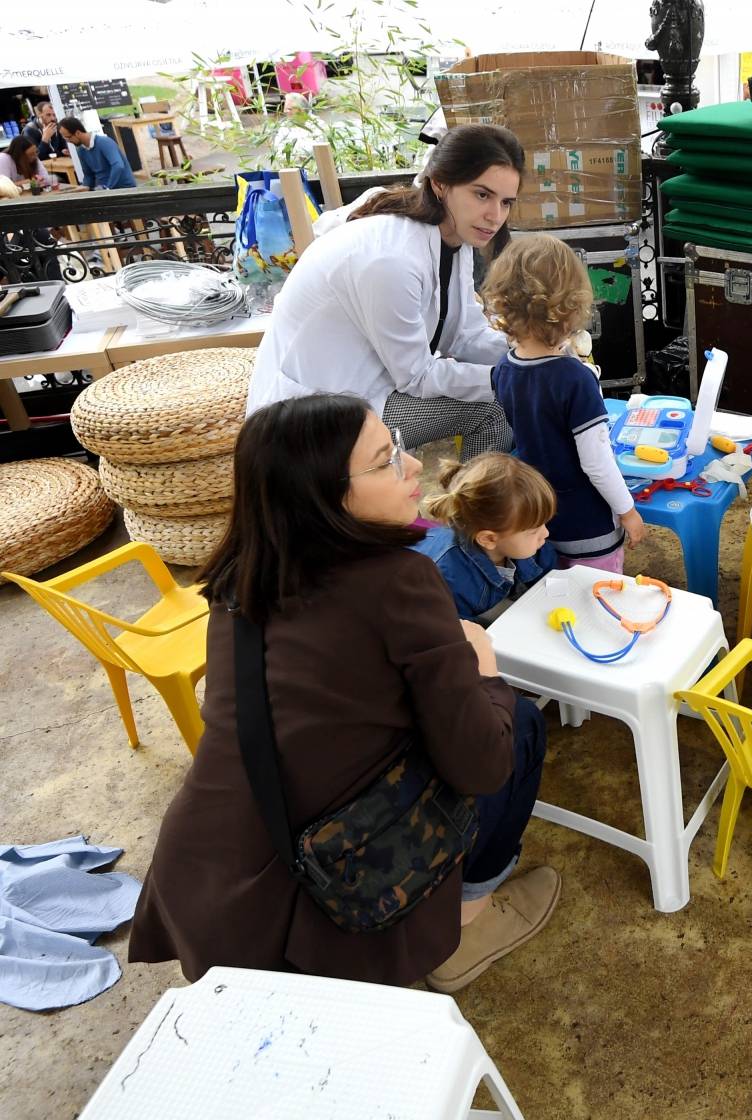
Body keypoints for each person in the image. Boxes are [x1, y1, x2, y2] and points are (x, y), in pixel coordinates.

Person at [129, 395, 560, 993]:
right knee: (518, 723)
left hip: (208, 877)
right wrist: (482, 669)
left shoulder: (240, 579)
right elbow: (482, 765)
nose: (414, 467)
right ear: (323, 494)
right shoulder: (400, 581)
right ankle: (467, 921)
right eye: (385, 460)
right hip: (330, 892)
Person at [247, 124, 525, 460]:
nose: (495, 215)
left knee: (507, 389)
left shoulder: (453, 240)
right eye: (482, 195)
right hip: (312, 420)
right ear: (440, 184)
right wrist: (511, 378)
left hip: (362, 391)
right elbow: (418, 377)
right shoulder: (392, 261)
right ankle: (473, 510)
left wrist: (526, 353)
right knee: (494, 411)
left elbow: (463, 336)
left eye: (506, 202)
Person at [484, 233, 646, 572]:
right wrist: (628, 511)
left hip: (536, 520)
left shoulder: (503, 369)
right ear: (572, 307)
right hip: (587, 523)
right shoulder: (576, 379)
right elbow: (597, 463)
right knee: (597, 601)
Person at [414, 452, 559, 625]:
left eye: (544, 523)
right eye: (533, 531)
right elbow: (456, 636)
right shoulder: (449, 581)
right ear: (489, 539)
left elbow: (550, 585)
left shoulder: (532, 546)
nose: (546, 534)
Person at [58, 117, 135, 191]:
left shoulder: (104, 142)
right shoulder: (81, 150)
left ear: (78, 133)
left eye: (68, 137)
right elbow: (88, 175)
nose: (68, 141)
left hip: (123, 188)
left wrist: (108, 187)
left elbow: (118, 165)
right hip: (102, 189)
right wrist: (85, 188)